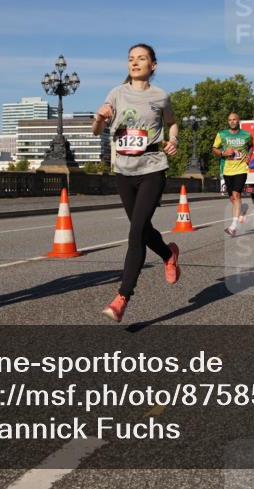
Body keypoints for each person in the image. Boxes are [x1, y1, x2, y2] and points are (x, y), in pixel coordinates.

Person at [93, 43, 181, 322]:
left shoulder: (160, 96)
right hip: (123, 171)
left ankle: (122, 297)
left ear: (153, 65)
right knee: (142, 230)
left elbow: (172, 122)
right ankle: (168, 253)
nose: (135, 63)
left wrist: (173, 140)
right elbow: (97, 131)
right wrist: (99, 117)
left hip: (152, 169)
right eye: (131, 59)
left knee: (135, 233)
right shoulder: (116, 93)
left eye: (141, 59)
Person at [214, 113, 253, 236]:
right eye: (230, 120)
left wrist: (249, 155)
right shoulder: (222, 134)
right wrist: (223, 153)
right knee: (232, 197)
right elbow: (214, 148)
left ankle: (233, 226)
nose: (232, 122)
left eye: (234, 119)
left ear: (238, 120)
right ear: (228, 121)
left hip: (241, 169)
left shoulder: (246, 135)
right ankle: (242, 209)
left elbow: (251, 145)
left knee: (236, 195)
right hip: (227, 170)